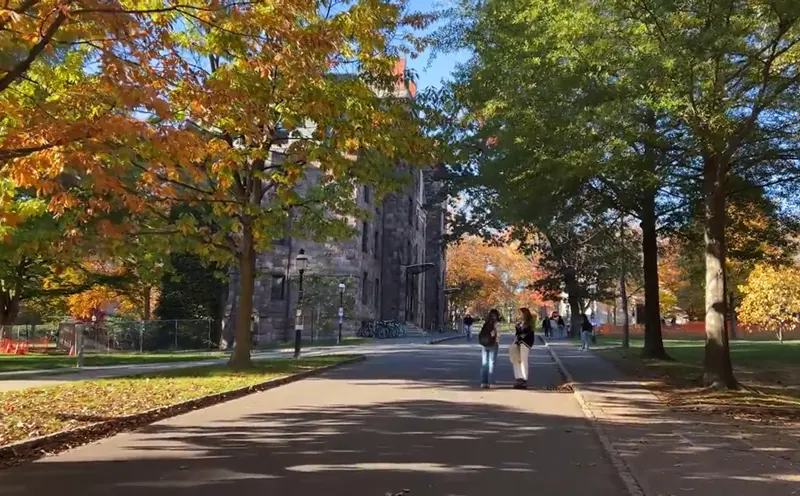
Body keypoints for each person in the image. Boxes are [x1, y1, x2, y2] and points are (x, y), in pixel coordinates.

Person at [510, 307, 536, 389]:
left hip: (525, 343)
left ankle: (524, 379)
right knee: (516, 360)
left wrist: (520, 328)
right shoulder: (520, 323)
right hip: (518, 343)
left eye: (520, 313)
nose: (519, 315)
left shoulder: (529, 323)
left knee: (523, 360)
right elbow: (517, 334)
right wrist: (517, 327)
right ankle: (519, 378)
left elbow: (526, 333)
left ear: (525, 314)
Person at [478, 308, 501, 389]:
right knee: (492, 363)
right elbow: (498, 336)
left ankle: (483, 382)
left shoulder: (485, 323)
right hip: (493, 344)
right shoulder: (497, 324)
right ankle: (491, 382)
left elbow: (481, 332)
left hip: (484, 344)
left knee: (484, 363)